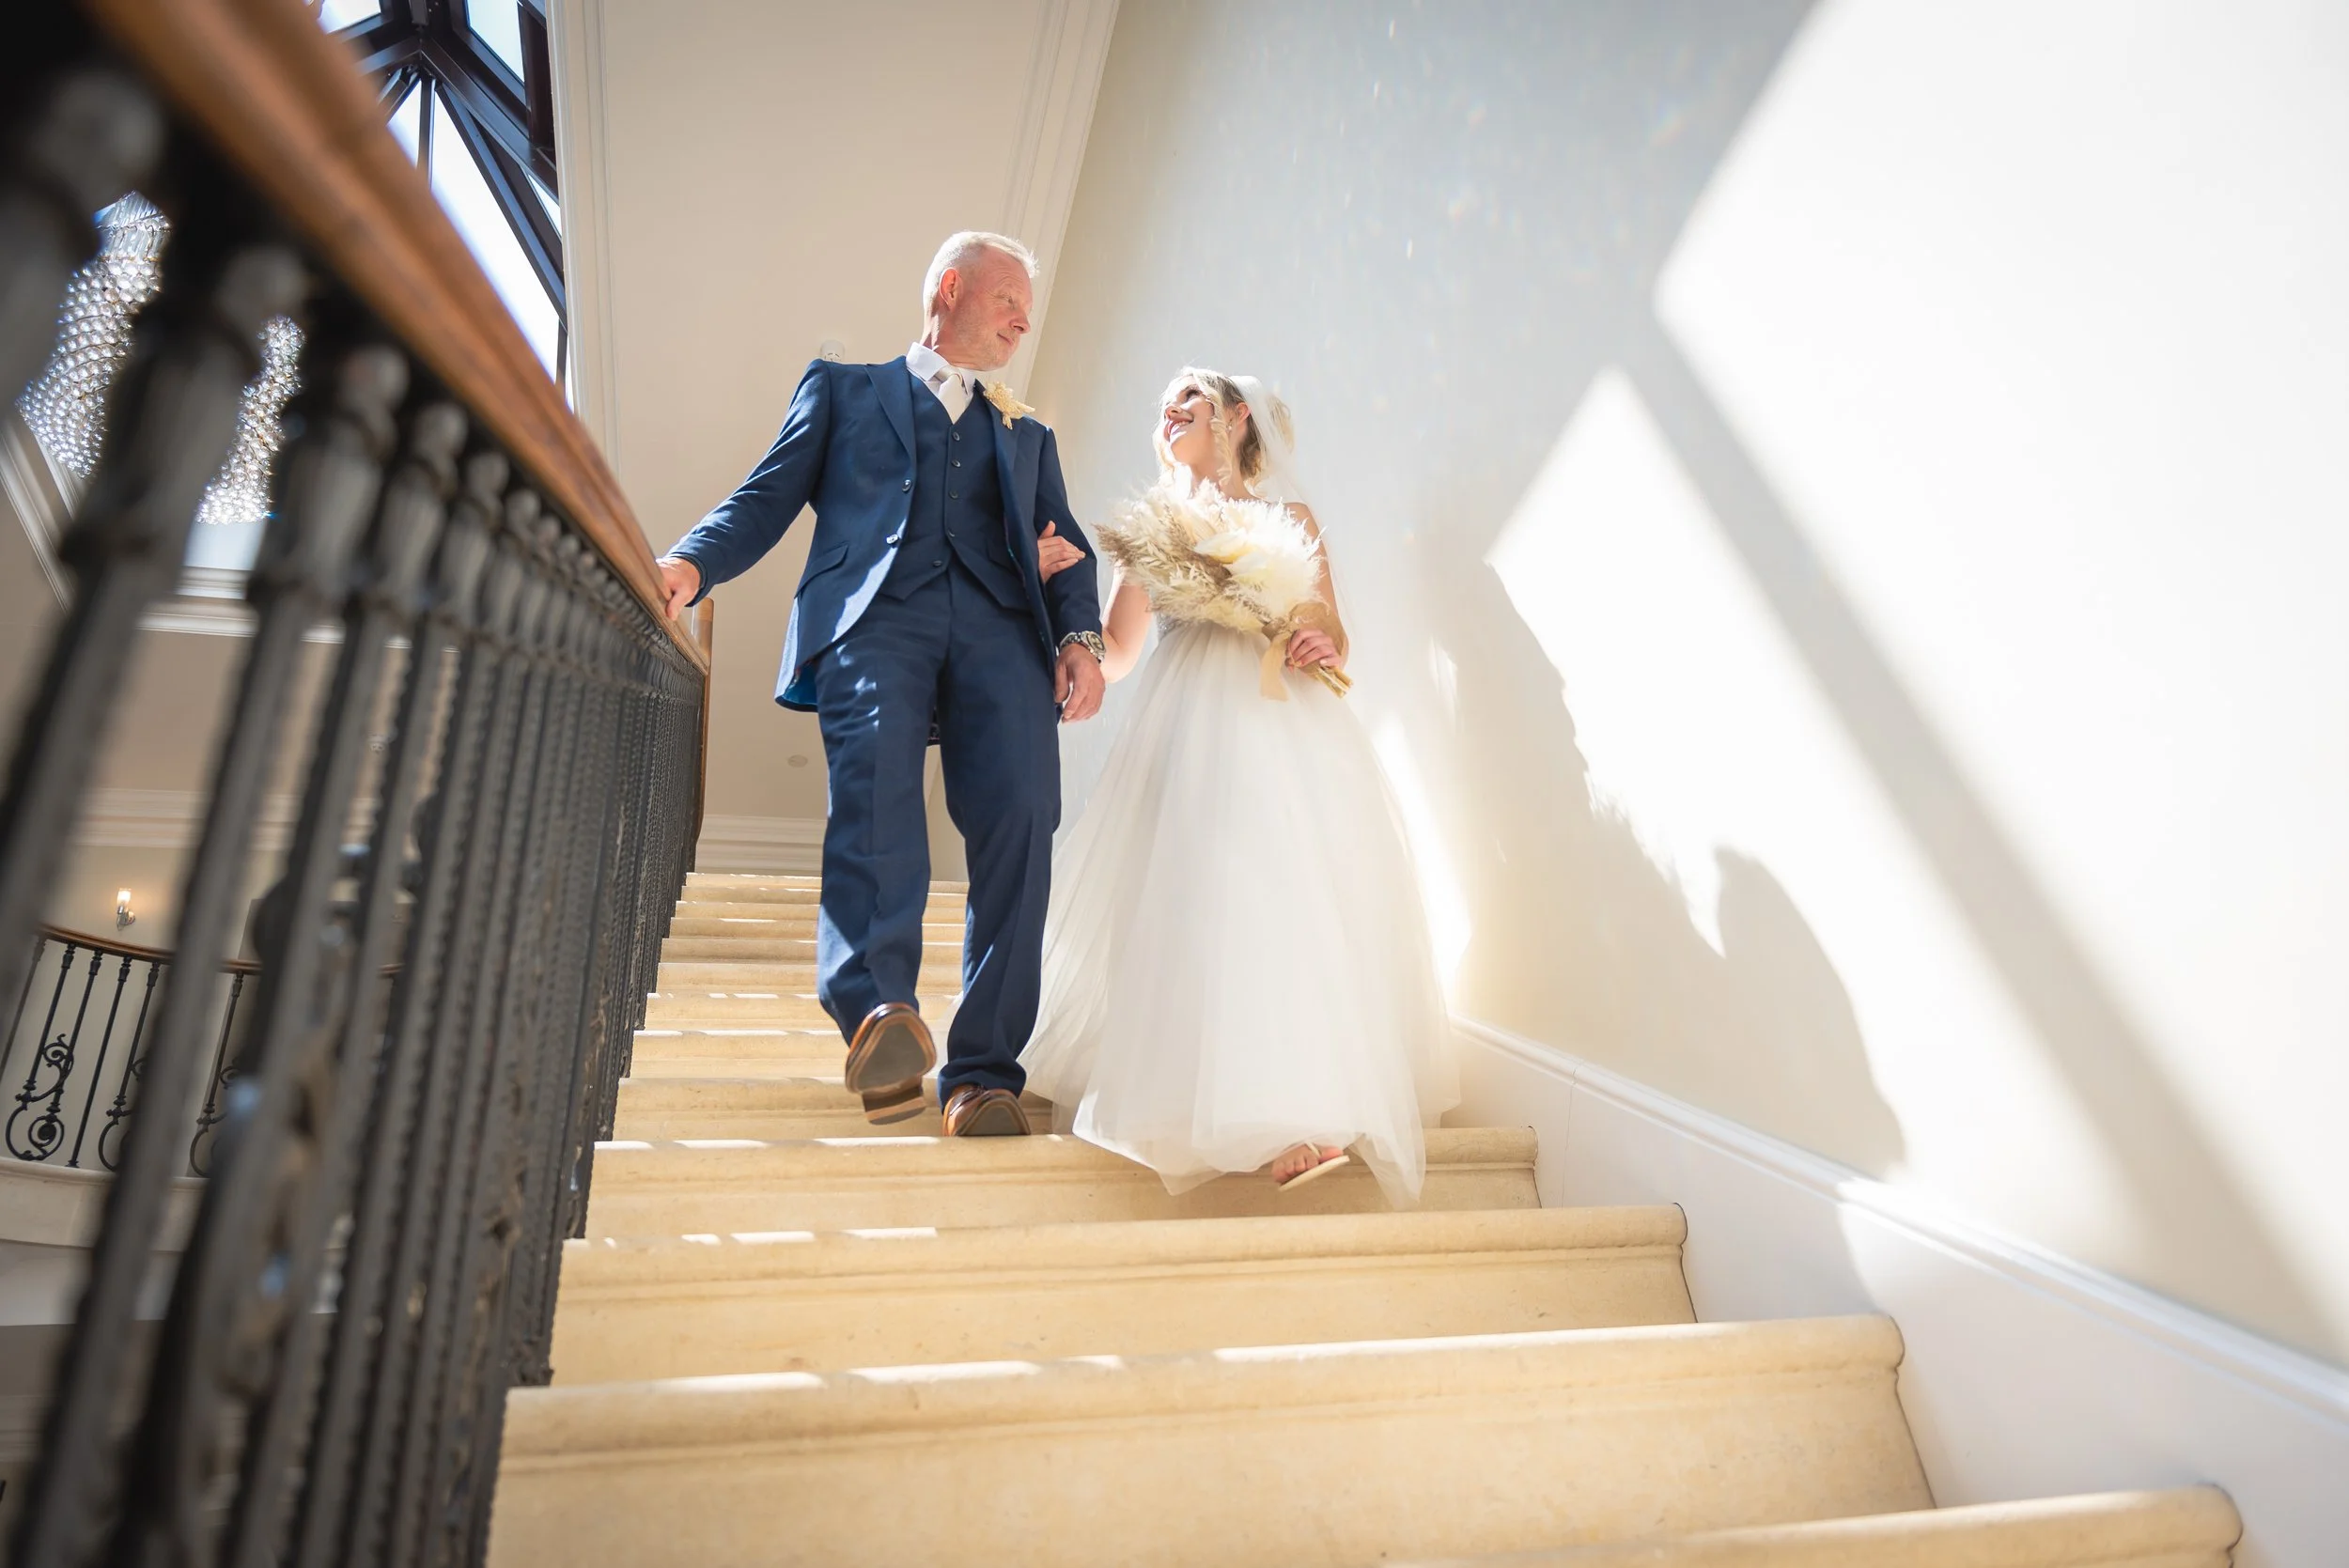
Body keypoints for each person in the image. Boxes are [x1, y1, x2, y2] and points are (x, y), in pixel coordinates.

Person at [657, 232, 1106, 1137]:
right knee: (877, 793)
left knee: (1024, 817)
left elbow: (1069, 551)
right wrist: (690, 565)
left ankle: (982, 1075)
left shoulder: (1029, 434)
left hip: (1001, 634)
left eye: (1028, 306)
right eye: (1009, 298)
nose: (1024, 319)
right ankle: (877, 1013)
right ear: (950, 288)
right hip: (876, 619)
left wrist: (1081, 637)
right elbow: (765, 497)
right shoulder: (844, 390)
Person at [1022, 369, 1457, 1198]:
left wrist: (1317, 642)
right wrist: (1059, 607)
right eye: (1165, 403)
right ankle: (1195, 1100)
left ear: (1238, 415)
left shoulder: (1289, 518)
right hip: (1187, 731)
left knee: (1284, 898)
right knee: (1198, 898)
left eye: (1191, 396)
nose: (1172, 408)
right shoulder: (1154, 527)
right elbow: (1119, 650)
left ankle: (1300, 1113)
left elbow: (1332, 625)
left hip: (1283, 725)